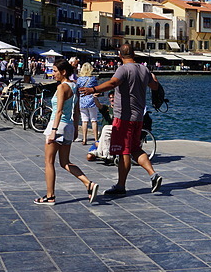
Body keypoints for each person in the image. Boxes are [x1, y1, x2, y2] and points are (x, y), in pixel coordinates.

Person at [80, 44, 162, 195]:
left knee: (124, 151)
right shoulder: (144, 69)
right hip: (138, 118)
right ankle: (153, 175)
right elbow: (155, 86)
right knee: (135, 148)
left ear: (120, 55)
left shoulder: (123, 69)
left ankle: (120, 186)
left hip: (124, 117)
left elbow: (112, 83)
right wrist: (153, 79)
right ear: (134, 54)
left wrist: (93, 89)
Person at [35, 59, 99, 205]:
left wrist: (53, 131)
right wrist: (76, 129)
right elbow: (76, 111)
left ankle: (50, 196)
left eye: (55, 71)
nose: (53, 74)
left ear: (63, 72)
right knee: (65, 162)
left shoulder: (62, 87)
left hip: (57, 126)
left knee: (49, 162)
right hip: (69, 126)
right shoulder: (74, 86)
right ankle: (88, 183)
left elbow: (58, 112)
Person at [76, 63, 100, 145]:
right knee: (94, 120)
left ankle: (84, 139)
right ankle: (96, 139)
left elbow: (77, 89)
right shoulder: (93, 78)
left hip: (82, 101)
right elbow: (96, 89)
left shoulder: (79, 79)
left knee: (84, 121)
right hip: (91, 100)